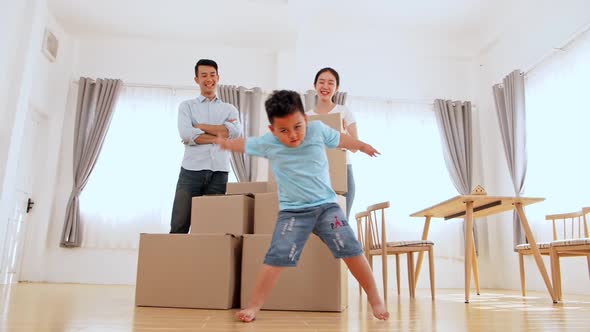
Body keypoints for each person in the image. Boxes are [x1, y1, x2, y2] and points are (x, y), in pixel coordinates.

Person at [217, 90, 389, 322]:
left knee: (351, 247)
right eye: (284, 131)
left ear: (306, 119)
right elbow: (246, 144)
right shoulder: (268, 142)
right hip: (293, 214)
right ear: (272, 130)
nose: (293, 135)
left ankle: (375, 297)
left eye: (298, 126)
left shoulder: (317, 130)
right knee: (276, 256)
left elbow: (342, 139)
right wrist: (226, 143)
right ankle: (254, 306)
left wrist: (362, 145)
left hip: (327, 207)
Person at [170, 59, 242, 233]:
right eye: (204, 75)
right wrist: (220, 136)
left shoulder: (229, 108)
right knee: (179, 225)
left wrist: (200, 127)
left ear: (218, 77)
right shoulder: (186, 106)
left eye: (212, 75)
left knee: (211, 229)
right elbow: (186, 135)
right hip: (191, 172)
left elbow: (235, 134)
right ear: (197, 79)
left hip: (219, 173)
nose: (208, 79)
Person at [307, 67, 357, 219]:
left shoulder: (344, 111)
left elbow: (355, 147)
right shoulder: (307, 116)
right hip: (318, 173)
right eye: (321, 82)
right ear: (315, 85)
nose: (325, 86)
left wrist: (343, 131)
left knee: (341, 224)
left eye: (331, 83)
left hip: (342, 170)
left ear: (337, 88)